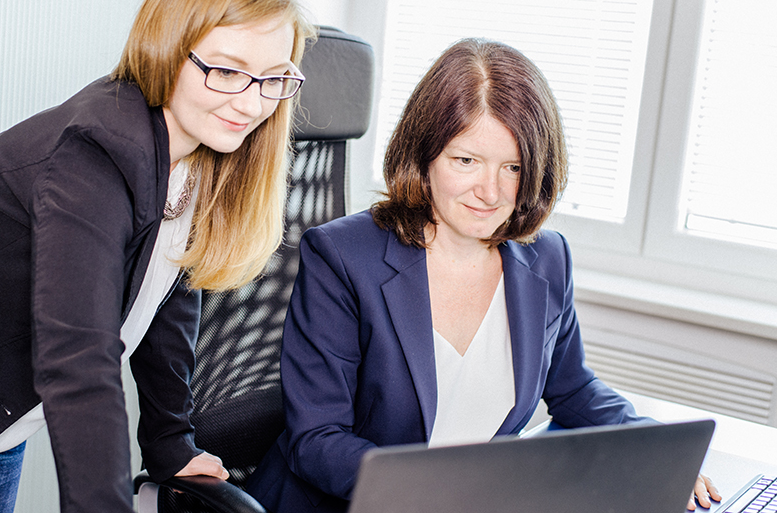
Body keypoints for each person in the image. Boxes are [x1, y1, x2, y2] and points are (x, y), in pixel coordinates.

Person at [0, 0, 313, 513]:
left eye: (273, 77)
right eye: (228, 70)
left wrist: (169, 443)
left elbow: (164, 301)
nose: (252, 103)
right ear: (169, 46)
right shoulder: (96, 157)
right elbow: (80, 357)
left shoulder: (197, 156)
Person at [246, 38, 720, 513]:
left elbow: (573, 387)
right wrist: (450, 494)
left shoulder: (547, 258)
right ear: (424, 155)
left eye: (513, 167)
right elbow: (318, 439)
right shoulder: (342, 257)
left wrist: (659, 453)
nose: (490, 192)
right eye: (466, 160)